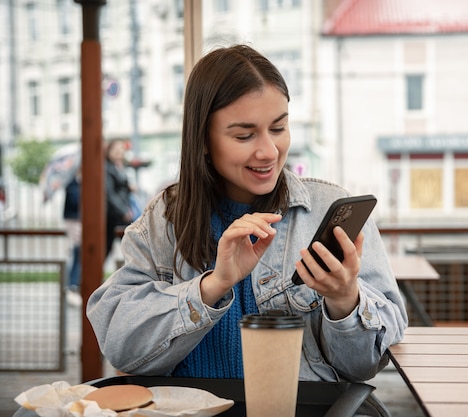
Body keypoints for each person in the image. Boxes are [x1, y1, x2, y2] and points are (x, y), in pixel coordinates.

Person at [87, 44, 407, 386]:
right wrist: (213, 285)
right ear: (203, 139)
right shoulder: (161, 222)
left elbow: (365, 365)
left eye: (279, 128)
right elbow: (122, 347)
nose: (269, 151)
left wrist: (345, 299)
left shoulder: (328, 208)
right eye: (244, 135)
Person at [104, 138, 134, 258]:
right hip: (113, 215)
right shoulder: (107, 168)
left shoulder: (120, 167)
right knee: (107, 247)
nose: (119, 152)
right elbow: (109, 193)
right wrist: (123, 211)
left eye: (121, 149)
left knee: (130, 247)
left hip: (121, 212)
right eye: (115, 149)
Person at [64, 174, 82, 307]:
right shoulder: (72, 185)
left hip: (79, 222)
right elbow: (76, 201)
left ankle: (75, 283)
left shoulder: (74, 185)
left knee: (78, 253)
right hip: (74, 221)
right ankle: (73, 284)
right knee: (77, 251)